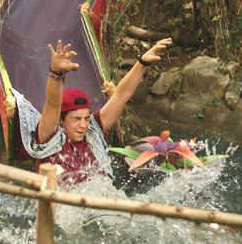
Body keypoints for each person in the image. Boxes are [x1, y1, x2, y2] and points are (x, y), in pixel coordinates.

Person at [14, 38, 172, 185]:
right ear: (61, 120)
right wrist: (56, 73)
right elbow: (53, 103)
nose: (83, 125)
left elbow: (121, 95)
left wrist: (142, 62)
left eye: (86, 118)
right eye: (76, 119)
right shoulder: (49, 136)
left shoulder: (93, 130)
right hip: (64, 203)